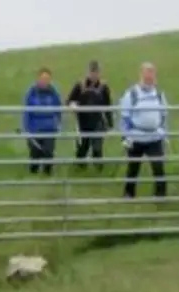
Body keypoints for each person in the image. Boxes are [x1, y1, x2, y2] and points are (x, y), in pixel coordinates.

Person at [118, 62, 170, 198]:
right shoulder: (132, 94)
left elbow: (164, 115)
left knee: (158, 166)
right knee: (133, 167)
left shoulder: (159, 94)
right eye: (147, 75)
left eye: (151, 75)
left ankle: (160, 195)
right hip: (136, 137)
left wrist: (165, 134)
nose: (149, 79)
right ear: (141, 75)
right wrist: (125, 137)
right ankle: (129, 193)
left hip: (154, 137)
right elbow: (125, 116)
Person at [65, 60, 113, 169]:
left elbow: (108, 106)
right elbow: (69, 101)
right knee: (83, 147)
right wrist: (73, 105)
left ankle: (98, 169)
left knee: (97, 147)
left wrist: (110, 123)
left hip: (98, 122)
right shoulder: (80, 86)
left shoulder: (103, 87)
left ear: (99, 73)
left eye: (96, 72)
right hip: (82, 122)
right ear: (87, 72)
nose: (94, 75)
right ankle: (80, 167)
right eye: (92, 72)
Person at [20, 67, 63, 175]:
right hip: (34, 128)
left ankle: (47, 173)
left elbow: (59, 109)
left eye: (47, 79)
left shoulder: (53, 92)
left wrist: (59, 124)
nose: (45, 81)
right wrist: (26, 128)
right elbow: (26, 111)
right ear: (38, 79)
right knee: (35, 153)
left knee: (48, 152)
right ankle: (33, 172)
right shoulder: (31, 92)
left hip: (49, 128)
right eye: (43, 79)